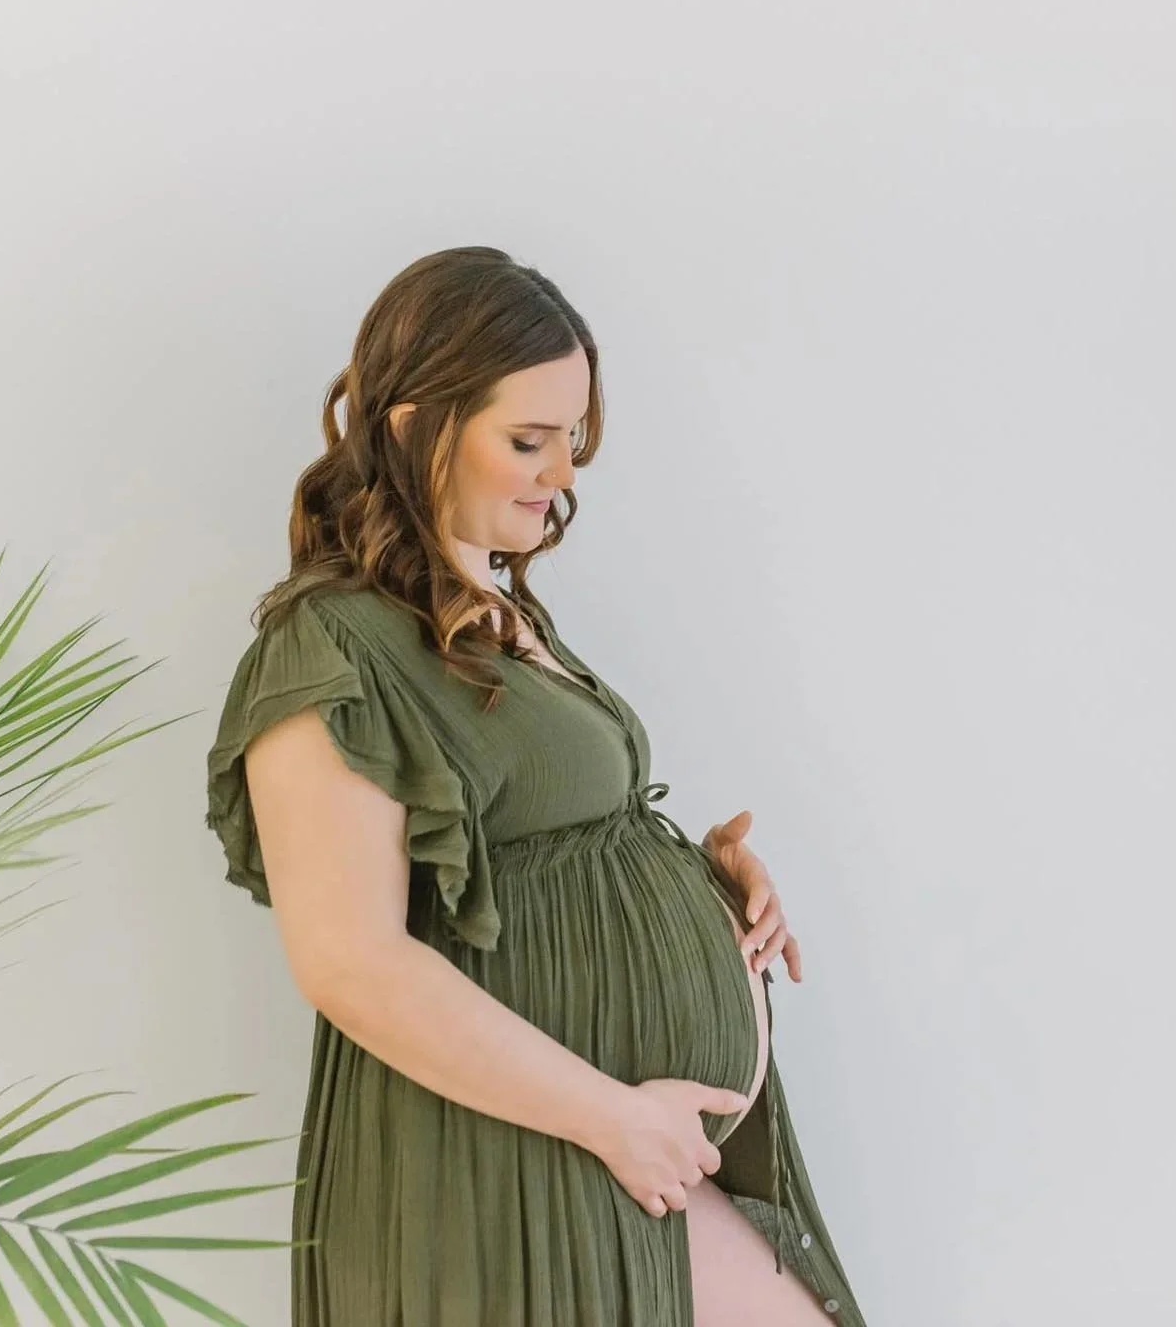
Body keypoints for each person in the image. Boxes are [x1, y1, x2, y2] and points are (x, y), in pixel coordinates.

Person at [203, 246, 867, 1325]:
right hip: (512, 1156)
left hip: (597, 1145)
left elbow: (528, 850)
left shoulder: (493, 615)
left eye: (572, 441)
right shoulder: (330, 643)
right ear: (419, 427)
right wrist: (609, 1116)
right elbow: (347, 960)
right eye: (528, 440)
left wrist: (699, 882)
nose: (561, 474)